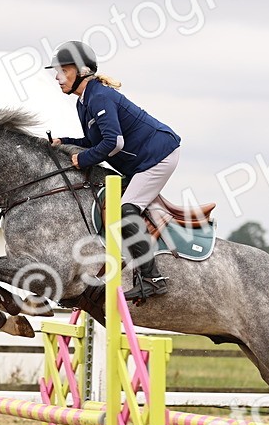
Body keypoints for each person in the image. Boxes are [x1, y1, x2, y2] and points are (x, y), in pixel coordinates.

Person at [47, 40, 180, 301]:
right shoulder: (84, 101)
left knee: (126, 209)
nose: (57, 76)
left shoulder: (100, 96)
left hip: (159, 155)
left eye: (64, 70)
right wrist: (64, 143)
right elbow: (96, 141)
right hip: (142, 159)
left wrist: (83, 160)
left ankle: (152, 279)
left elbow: (113, 142)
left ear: (82, 71)